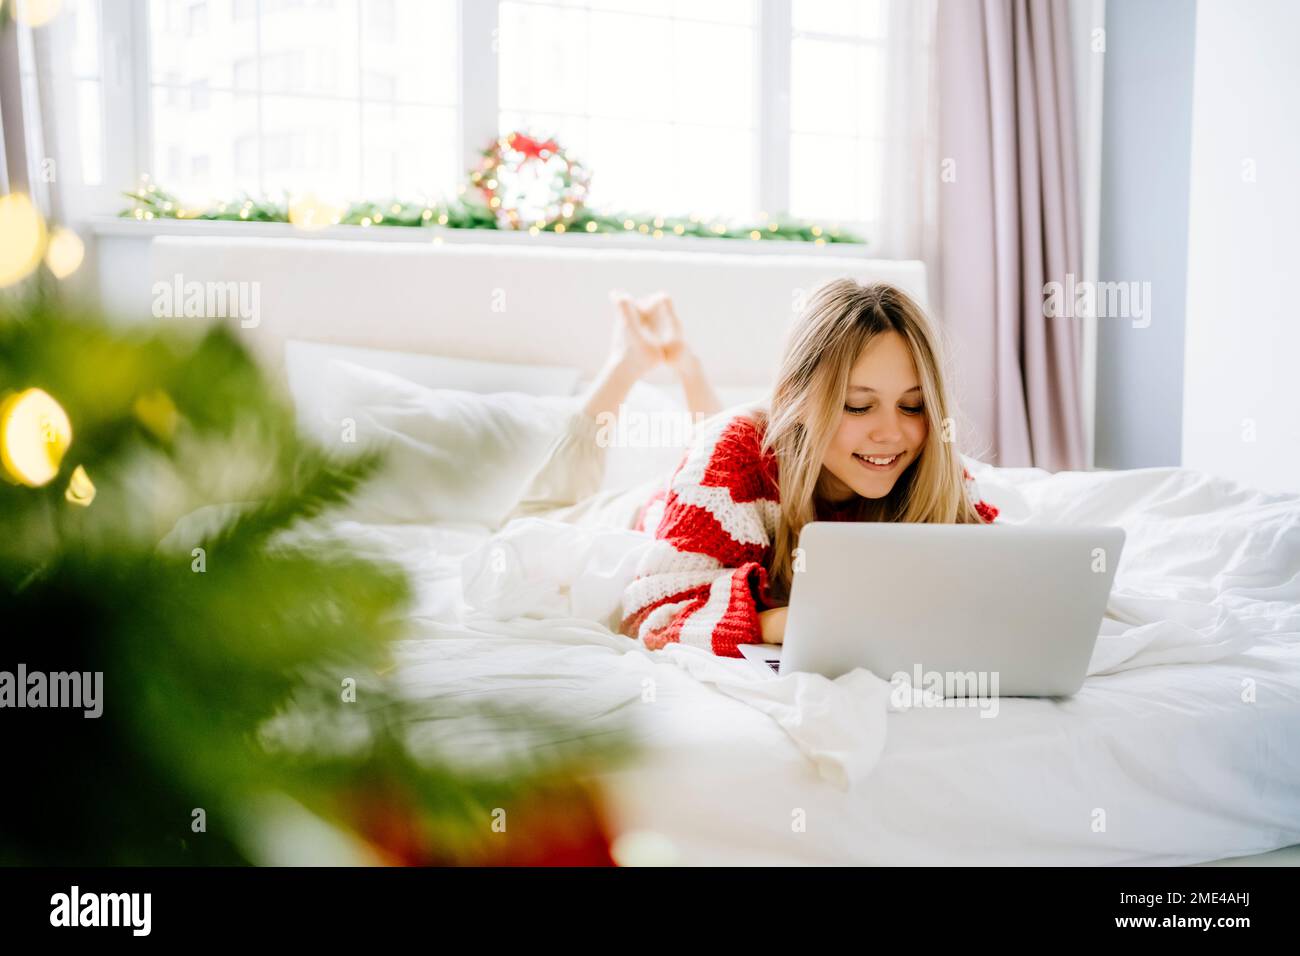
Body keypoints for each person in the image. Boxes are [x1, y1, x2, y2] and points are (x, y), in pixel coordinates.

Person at [503, 279, 998, 658]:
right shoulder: (733, 451)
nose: (891, 433)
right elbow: (656, 616)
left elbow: (1000, 574)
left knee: (731, 448)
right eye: (856, 406)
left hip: (741, 475)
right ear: (796, 400)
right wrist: (791, 621)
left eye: (912, 406)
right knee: (540, 509)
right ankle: (628, 362)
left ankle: (688, 370)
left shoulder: (931, 455)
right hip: (634, 515)